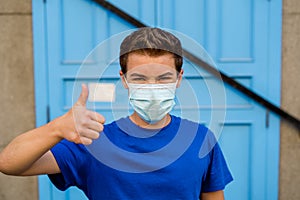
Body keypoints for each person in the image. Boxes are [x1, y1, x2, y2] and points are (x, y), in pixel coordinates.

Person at [0, 27, 233, 200]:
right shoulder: (93, 141)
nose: (152, 88)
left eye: (163, 78)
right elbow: (9, 164)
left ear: (179, 78)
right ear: (124, 80)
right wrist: (56, 129)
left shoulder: (201, 138)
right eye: (140, 79)